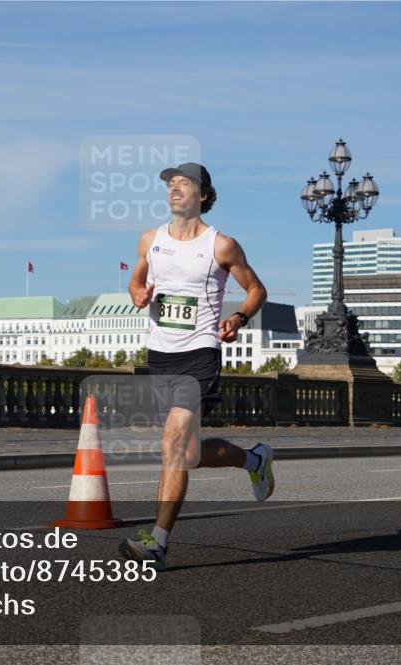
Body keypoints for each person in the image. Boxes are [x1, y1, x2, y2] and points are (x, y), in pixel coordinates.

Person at [119, 162, 272, 571]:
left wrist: (238, 318)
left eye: (184, 184)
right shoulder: (150, 240)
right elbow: (135, 281)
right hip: (160, 353)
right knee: (187, 454)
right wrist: (138, 293)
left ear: (204, 195)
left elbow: (257, 289)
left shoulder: (221, 245)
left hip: (200, 352)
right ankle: (255, 460)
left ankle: (158, 543)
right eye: (171, 184)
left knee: (171, 443)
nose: (175, 190)